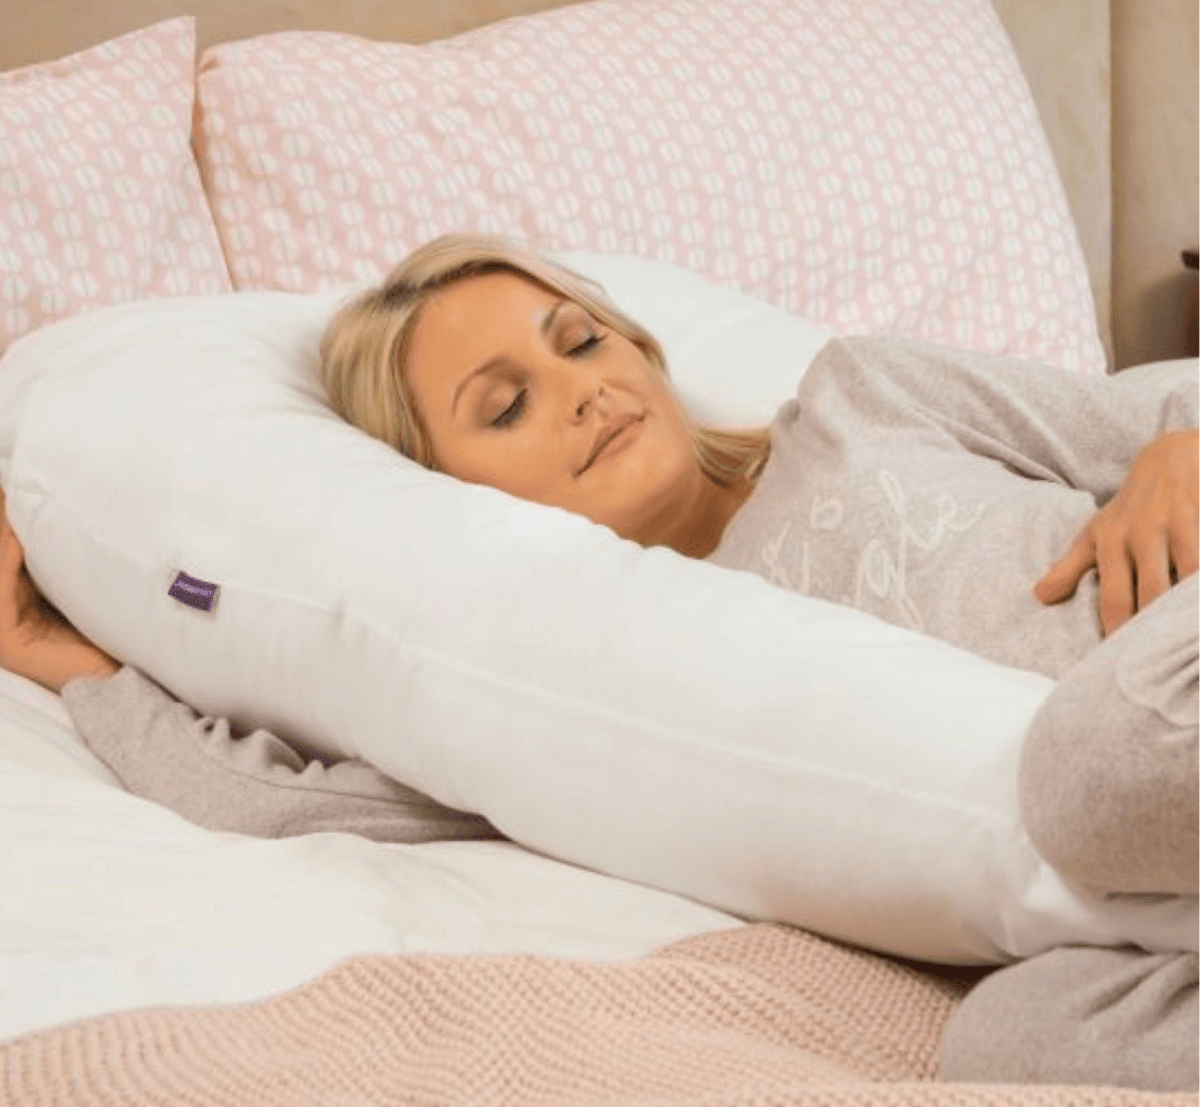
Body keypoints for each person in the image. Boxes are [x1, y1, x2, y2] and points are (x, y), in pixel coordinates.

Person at [2, 233, 1196, 1089]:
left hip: (1166, 671)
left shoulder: (862, 395)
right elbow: (282, 799)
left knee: (1084, 765)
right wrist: (72, 666)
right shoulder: (597, 690)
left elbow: (1140, 415)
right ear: (446, 498)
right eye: (506, 407)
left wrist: (1176, 452)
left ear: (640, 345)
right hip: (1151, 865)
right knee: (1011, 1041)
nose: (582, 393)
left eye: (579, 341)